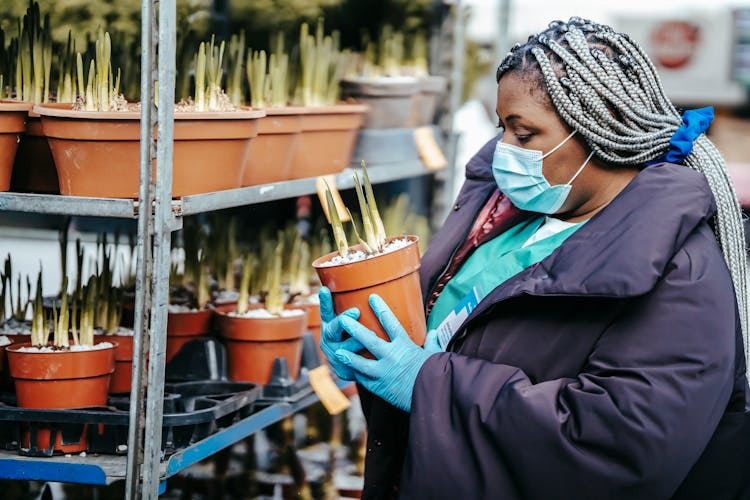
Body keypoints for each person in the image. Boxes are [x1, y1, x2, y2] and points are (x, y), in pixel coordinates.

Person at [320, 17, 750, 499]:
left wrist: (426, 383)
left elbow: (617, 449)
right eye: (502, 127)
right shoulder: (504, 215)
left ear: (600, 126)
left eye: (524, 135)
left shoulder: (682, 278)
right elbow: (446, 343)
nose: (503, 150)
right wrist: (373, 357)